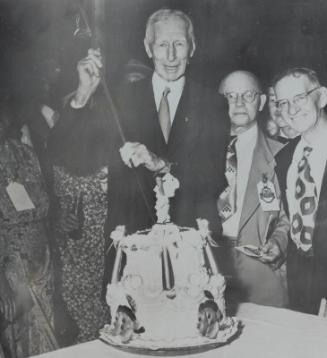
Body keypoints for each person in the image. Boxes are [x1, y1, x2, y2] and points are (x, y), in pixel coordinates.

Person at [67, 9, 229, 251]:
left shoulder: (212, 104)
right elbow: (75, 157)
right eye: (163, 44)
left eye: (180, 43)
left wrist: (162, 165)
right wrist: (82, 94)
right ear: (148, 47)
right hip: (132, 247)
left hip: (188, 247)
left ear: (192, 47)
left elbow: (214, 179)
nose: (171, 55)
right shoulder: (120, 101)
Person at [216, 70, 289, 308]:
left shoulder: (283, 155)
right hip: (209, 272)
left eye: (247, 95)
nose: (238, 103)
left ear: (262, 102)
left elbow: (289, 219)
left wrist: (279, 242)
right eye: (230, 96)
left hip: (262, 276)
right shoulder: (197, 152)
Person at [0, 100, 57, 357]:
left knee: (47, 343)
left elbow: (45, 208)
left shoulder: (25, 153)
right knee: (18, 343)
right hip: (10, 274)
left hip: (41, 268)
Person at [274, 67, 327, 314]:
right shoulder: (284, 158)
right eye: (283, 103)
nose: (291, 110)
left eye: (300, 98)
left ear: (322, 97)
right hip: (300, 278)